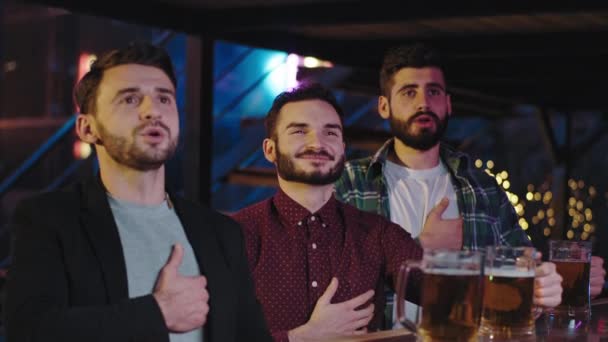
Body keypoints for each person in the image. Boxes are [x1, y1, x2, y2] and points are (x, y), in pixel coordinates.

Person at [3, 42, 271, 342]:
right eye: (130, 99)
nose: (152, 111)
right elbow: (27, 331)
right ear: (87, 128)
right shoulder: (50, 219)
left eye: (164, 99)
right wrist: (155, 314)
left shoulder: (221, 233)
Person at [334, 43, 572, 307]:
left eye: (433, 92)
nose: (423, 103)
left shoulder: (484, 188)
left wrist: (545, 285)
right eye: (409, 92)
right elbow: (328, 277)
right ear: (383, 106)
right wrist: (418, 247)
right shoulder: (349, 182)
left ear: (448, 104)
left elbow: (523, 267)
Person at [231, 83, 423, 342]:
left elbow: (444, 295)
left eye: (330, 133)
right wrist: (301, 337)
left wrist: (446, 263)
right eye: (299, 131)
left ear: (342, 149)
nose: (317, 143)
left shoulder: (378, 233)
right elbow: (208, 334)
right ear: (270, 150)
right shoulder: (235, 234)